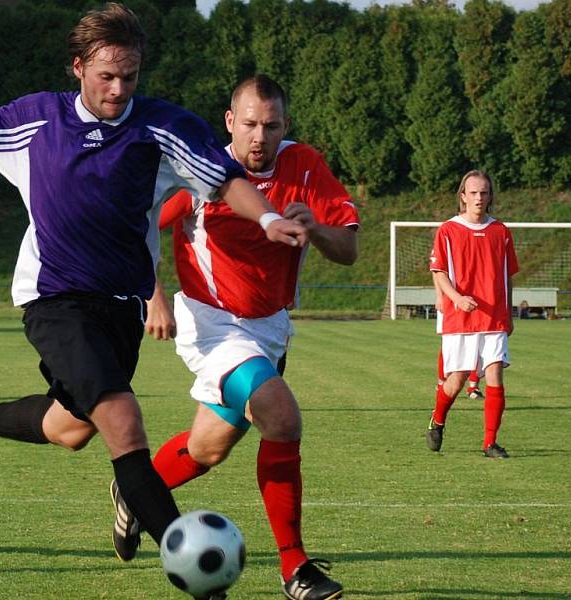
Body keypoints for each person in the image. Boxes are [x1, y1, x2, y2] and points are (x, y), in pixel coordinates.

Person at [0, 4, 306, 591]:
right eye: (106, 76)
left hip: (120, 308)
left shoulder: (162, 128)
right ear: (78, 68)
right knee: (123, 420)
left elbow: (227, 180)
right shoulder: (37, 120)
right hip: (55, 300)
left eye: (131, 77)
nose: (119, 89)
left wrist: (266, 218)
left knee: (72, 428)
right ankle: (192, 561)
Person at [112, 75, 358, 600]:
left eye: (271, 126)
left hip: (269, 329)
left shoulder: (306, 166)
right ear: (230, 121)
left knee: (205, 451)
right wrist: (152, 294)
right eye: (249, 124)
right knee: (282, 416)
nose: (259, 137)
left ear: (285, 126)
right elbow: (132, 230)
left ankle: (135, 491)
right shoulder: (200, 172)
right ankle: (296, 569)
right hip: (211, 325)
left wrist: (315, 228)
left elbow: (349, 249)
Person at [425, 170, 518, 459]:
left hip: (493, 318)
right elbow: (438, 272)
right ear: (463, 196)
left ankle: (490, 443)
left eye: (484, 192)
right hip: (460, 318)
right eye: (473, 192)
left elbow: (508, 276)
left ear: (490, 197)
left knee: (495, 376)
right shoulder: (448, 230)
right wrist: (456, 298)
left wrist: (509, 313)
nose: (479, 197)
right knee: (456, 380)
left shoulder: (500, 231)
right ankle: (437, 420)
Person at [434, 280, 484, 400]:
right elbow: (437, 272)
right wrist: (439, 296)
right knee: (448, 344)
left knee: (479, 341)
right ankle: (441, 383)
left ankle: (473, 386)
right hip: (451, 302)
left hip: (478, 297)